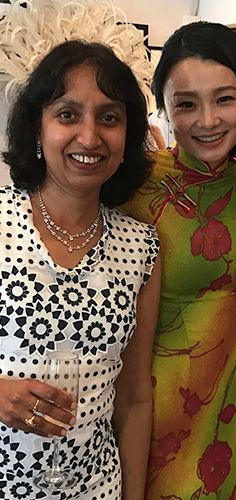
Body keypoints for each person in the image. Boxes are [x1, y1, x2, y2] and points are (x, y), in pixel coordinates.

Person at [0, 40, 161, 499]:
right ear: (37, 126)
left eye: (109, 118)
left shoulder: (142, 247)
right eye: (68, 114)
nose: (89, 137)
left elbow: (133, 398)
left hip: (95, 487)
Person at [121, 22, 236, 499]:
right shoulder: (131, 187)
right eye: (185, 104)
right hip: (148, 405)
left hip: (224, 400)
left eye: (224, 99)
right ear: (164, 109)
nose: (207, 120)